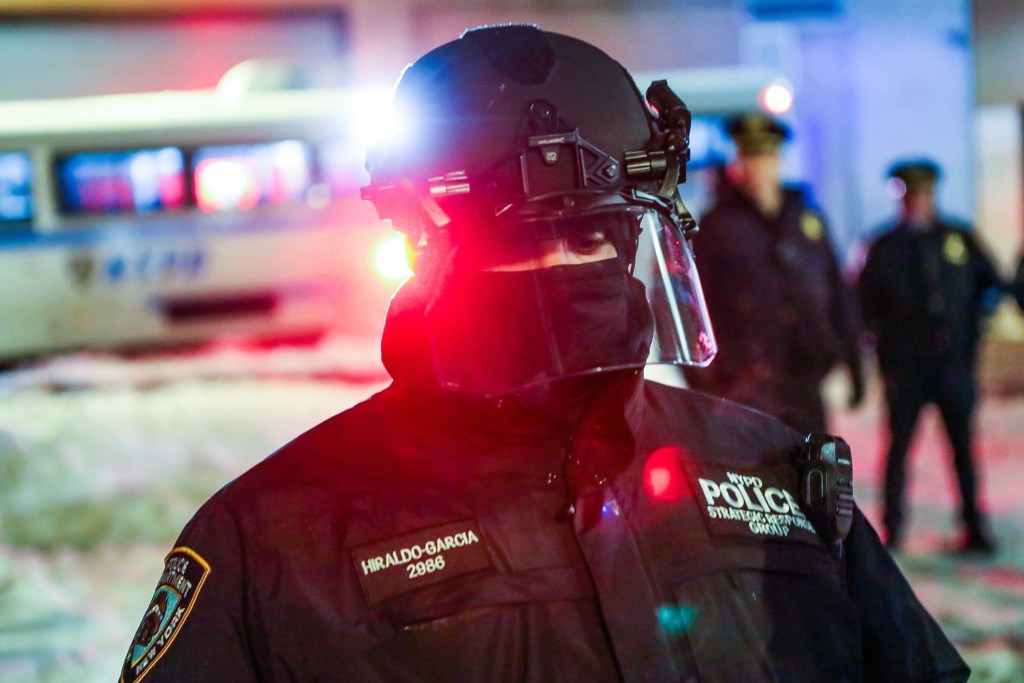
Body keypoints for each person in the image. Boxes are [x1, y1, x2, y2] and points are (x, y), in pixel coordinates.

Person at [120, 26, 968, 682]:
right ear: (423, 242)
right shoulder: (275, 540)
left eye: (598, 236)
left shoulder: (775, 476)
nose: (568, 272)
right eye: (522, 245)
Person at [683, 113, 864, 435]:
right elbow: (692, 303)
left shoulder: (805, 218)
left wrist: (853, 361)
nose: (759, 166)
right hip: (746, 380)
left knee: (813, 471)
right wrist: (704, 379)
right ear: (738, 160)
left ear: (778, 159)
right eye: (750, 155)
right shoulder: (717, 225)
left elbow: (836, 291)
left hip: (805, 374)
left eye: (766, 155)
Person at [858, 159, 1003, 555]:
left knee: (962, 448)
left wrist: (976, 325)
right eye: (909, 194)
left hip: (953, 365)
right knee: (899, 449)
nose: (917, 201)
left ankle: (975, 527)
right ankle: (893, 530)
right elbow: (861, 303)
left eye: (923, 193)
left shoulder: (958, 237)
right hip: (906, 369)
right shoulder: (884, 246)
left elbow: (991, 282)